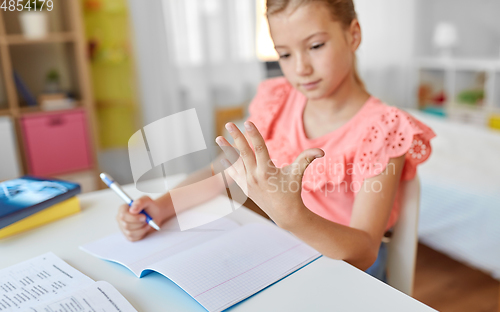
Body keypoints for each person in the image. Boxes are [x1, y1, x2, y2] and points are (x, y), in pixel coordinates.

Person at [116, 0, 435, 281]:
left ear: (352, 35)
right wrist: (161, 206)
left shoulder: (384, 128)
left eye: (316, 46)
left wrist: (293, 218)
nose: (300, 68)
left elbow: (364, 251)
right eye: (284, 53)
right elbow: (221, 176)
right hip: (286, 257)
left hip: (348, 273)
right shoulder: (278, 103)